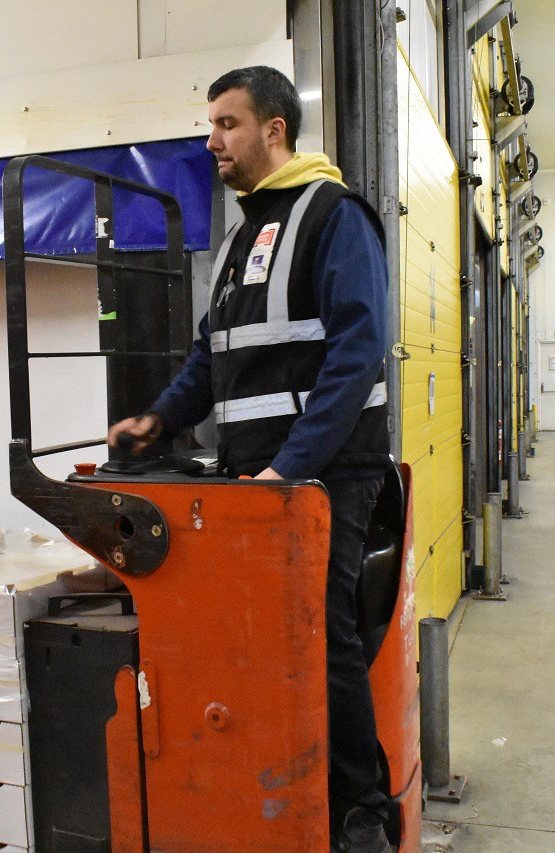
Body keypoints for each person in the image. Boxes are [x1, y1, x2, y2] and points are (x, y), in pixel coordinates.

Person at [107, 66, 393, 852]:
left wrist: (289, 468)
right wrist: (158, 421)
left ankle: (363, 809)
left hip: (326, 473)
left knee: (324, 634)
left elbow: (357, 353)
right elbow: (213, 356)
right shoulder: (240, 237)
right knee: (267, 642)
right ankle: (288, 785)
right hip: (258, 480)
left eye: (227, 124)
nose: (212, 141)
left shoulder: (334, 216)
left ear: (275, 129)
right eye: (210, 125)